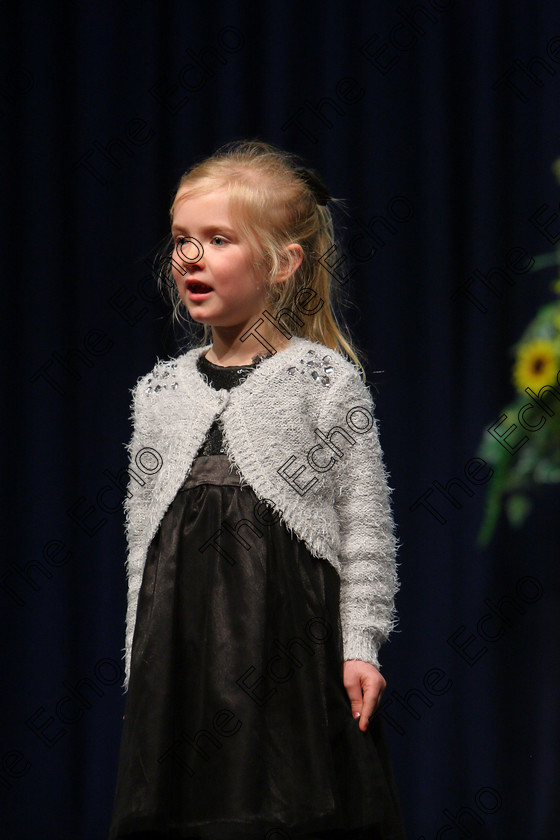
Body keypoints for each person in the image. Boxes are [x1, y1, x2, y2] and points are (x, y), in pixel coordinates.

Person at [108, 139, 407, 840]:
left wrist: (361, 642)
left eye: (218, 239)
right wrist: (140, 661)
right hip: (180, 645)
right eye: (183, 239)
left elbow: (365, 524)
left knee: (282, 805)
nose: (191, 256)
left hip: (286, 645)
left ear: (282, 263)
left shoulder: (323, 380)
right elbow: (141, 536)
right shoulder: (157, 393)